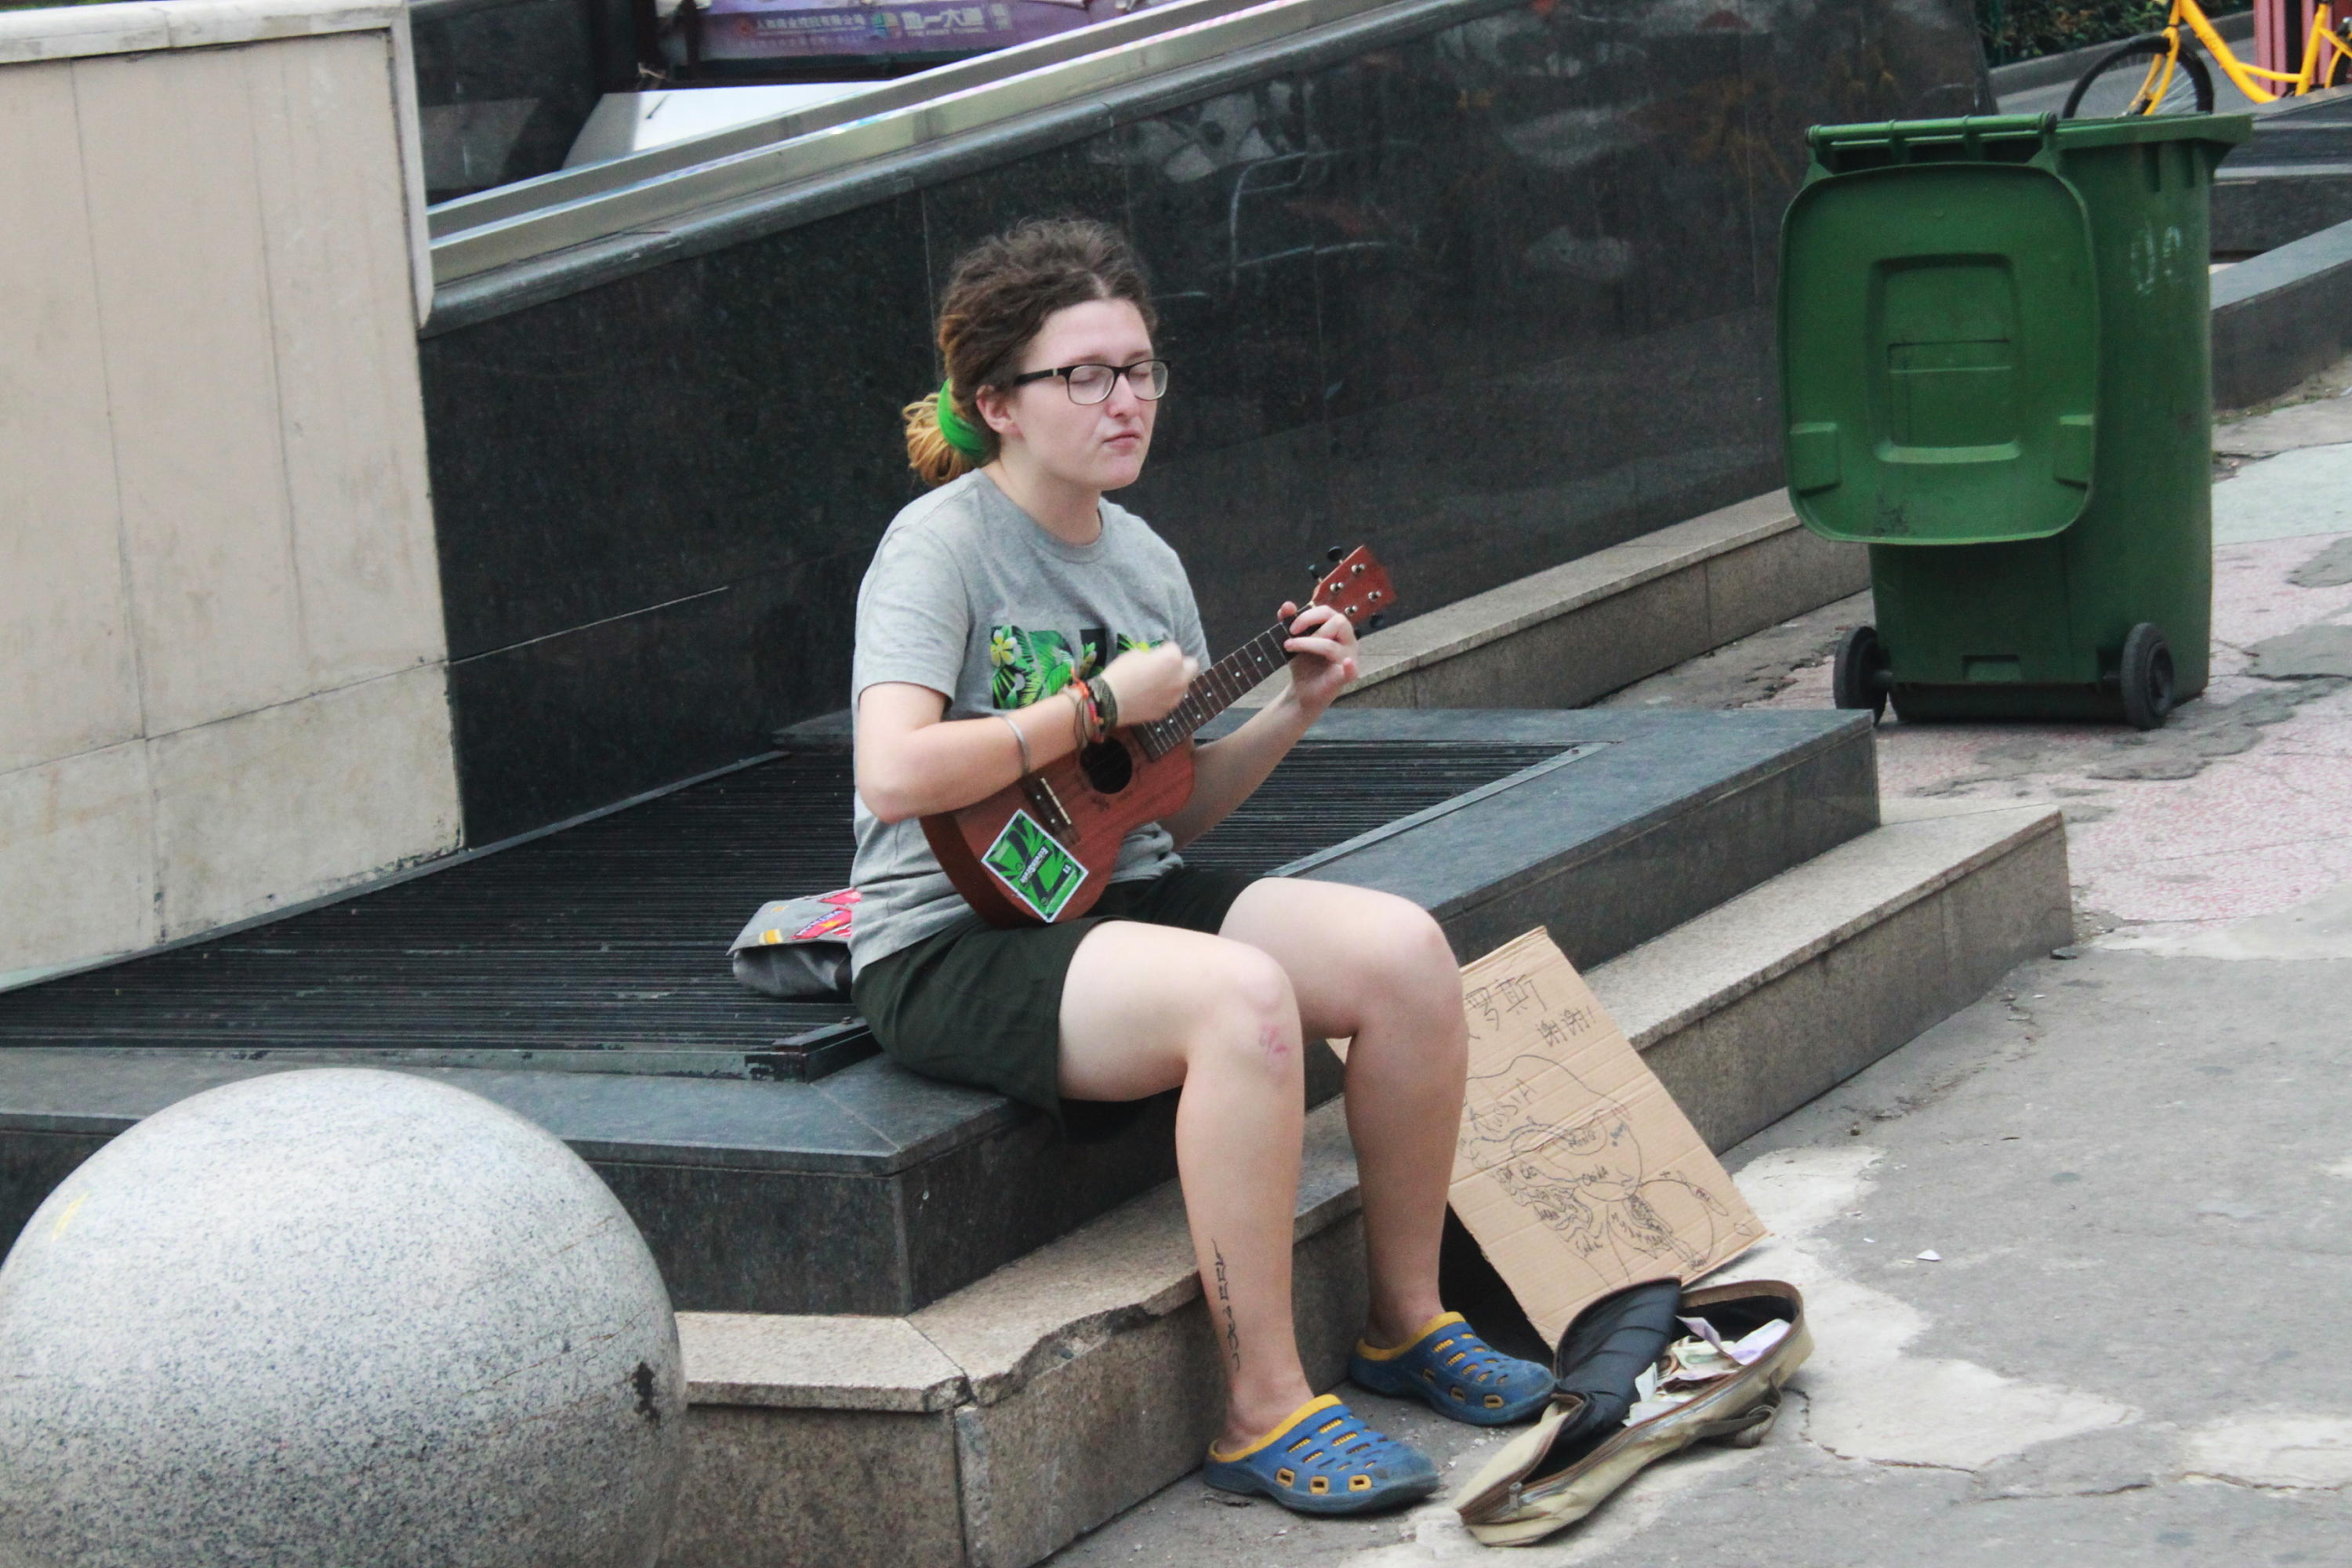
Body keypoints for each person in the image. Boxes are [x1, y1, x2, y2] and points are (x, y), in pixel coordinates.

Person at [848, 217, 1551, 1516]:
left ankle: (1404, 1318)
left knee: (1402, 952)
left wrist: (1291, 708)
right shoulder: (939, 547)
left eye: (1143, 369)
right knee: (1242, 1001)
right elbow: (893, 771)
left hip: (1110, 897)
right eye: (1088, 375)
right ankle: (1262, 1405)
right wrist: (1092, 711)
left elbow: (1171, 812)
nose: (1127, 402)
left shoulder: (1145, 559)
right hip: (952, 936)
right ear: (997, 401)